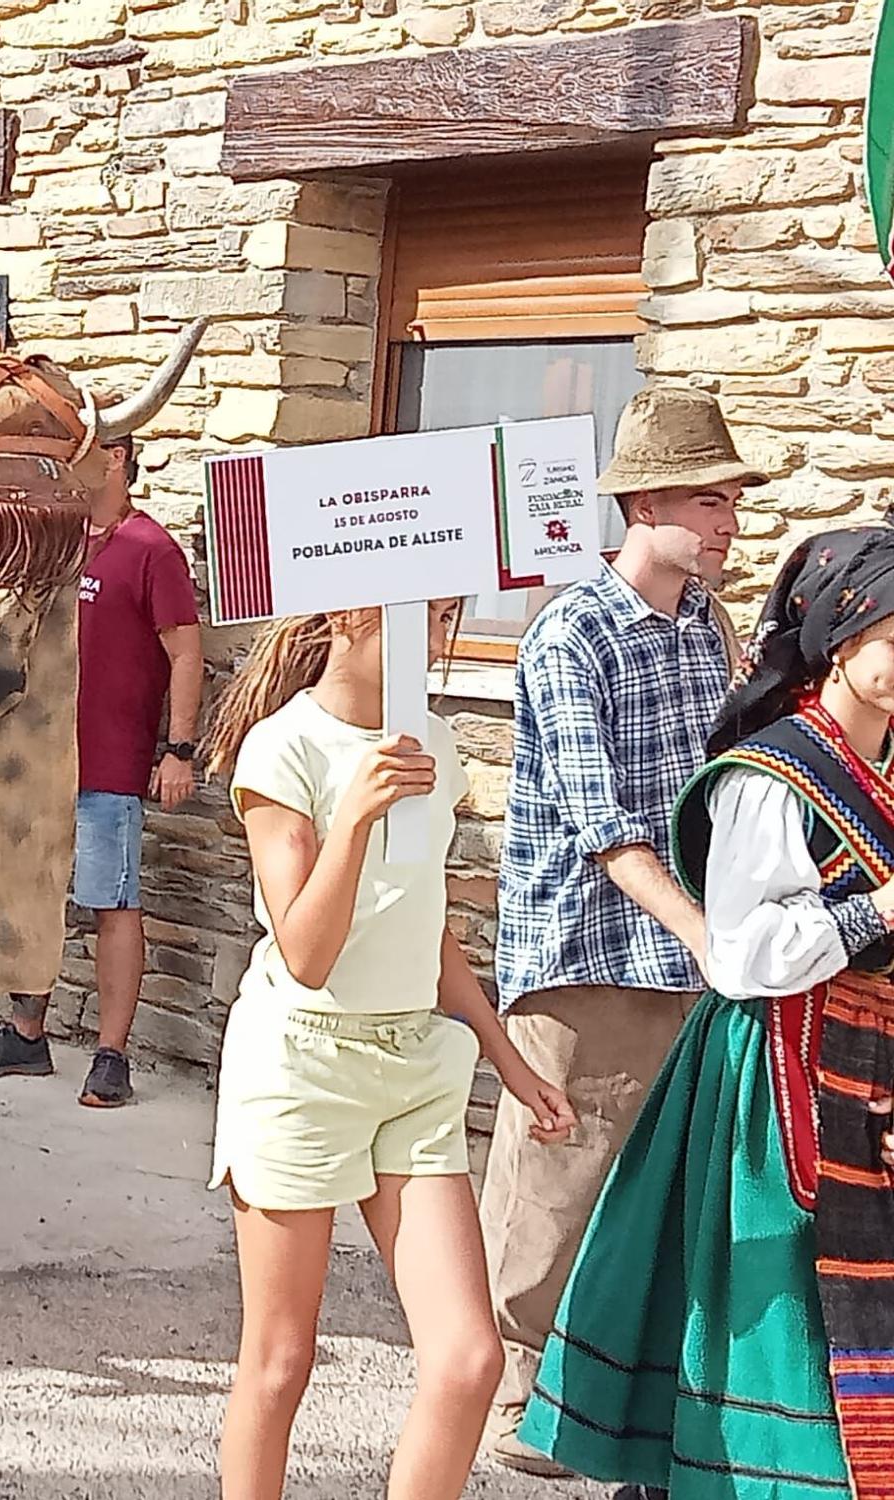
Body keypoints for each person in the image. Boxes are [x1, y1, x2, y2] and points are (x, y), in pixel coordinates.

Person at [523, 525, 894, 1500]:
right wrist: (872, 912)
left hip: (866, 1070)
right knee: (770, 1314)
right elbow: (737, 953)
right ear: (841, 639)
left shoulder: (881, 763)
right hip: (774, 1080)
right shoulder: (768, 778)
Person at [200, 602, 577, 1500]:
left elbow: (426, 924)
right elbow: (307, 952)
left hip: (412, 1065)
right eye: (423, 613)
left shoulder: (436, 746)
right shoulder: (282, 749)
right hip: (301, 1063)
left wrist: (508, 1061)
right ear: (349, 612)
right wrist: (358, 814)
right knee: (282, 1360)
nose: (438, 635)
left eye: (450, 613)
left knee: (467, 1360)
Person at [480, 383, 760, 1472]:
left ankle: (602, 1393)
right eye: (710, 500)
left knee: (646, 1180)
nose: (728, 522)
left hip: (686, 948)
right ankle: (510, 1397)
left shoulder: (707, 624)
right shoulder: (566, 633)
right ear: (644, 504)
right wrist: (700, 929)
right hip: (584, 950)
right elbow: (602, 824)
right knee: (552, 1179)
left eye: (730, 500)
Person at [0, 436, 203, 1106]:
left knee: (112, 903)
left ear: (119, 457)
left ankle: (111, 1054)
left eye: (85, 451)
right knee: (31, 895)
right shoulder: (60, 541)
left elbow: (185, 652)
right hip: (40, 761)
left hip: (109, 764)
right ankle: (26, 1033)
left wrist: (178, 749)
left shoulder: (150, 548)